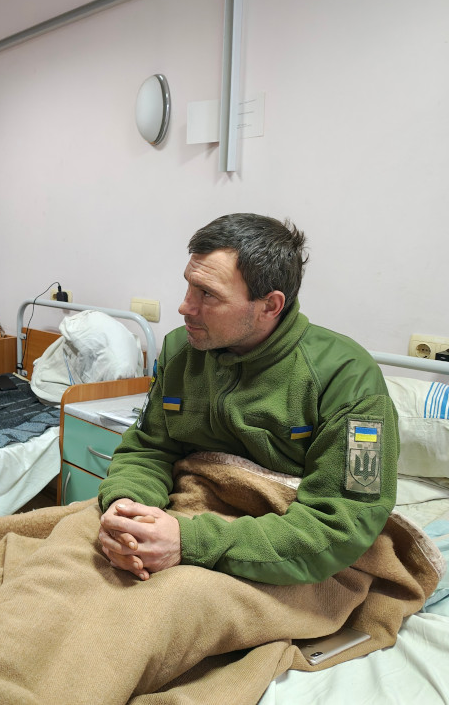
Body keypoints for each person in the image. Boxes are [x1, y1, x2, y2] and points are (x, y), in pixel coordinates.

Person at [97, 212, 398, 584]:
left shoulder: (349, 379)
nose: (185, 307)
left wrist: (188, 542)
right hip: (177, 514)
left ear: (270, 306)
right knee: (56, 559)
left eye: (207, 294)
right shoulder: (181, 352)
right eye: (189, 285)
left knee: (145, 605)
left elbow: (344, 522)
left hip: (280, 549)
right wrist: (127, 509)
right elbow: (148, 448)